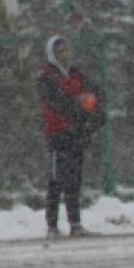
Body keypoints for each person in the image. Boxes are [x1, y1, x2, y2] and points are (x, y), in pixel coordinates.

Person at [39, 35, 105, 238]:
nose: (65, 54)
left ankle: (75, 222)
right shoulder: (47, 77)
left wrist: (91, 115)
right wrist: (79, 107)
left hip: (76, 134)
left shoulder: (76, 75)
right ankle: (52, 225)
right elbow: (59, 102)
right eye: (60, 51)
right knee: (56, 179)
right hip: (58, 134)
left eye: (67, 50)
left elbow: (95, 94)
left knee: (74, 179)